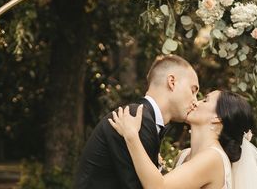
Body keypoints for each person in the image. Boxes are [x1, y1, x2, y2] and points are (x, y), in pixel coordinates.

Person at [109, 90, 257, 189]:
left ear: (217, 118)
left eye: (205, 100)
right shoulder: (185, 155)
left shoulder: (213, 158)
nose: (196, 102)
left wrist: (131, 137)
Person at [74, 55, 199, 189]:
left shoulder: (143, 118)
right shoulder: (136, 118)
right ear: (172, 82)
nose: (195, 101)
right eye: (193, 91)